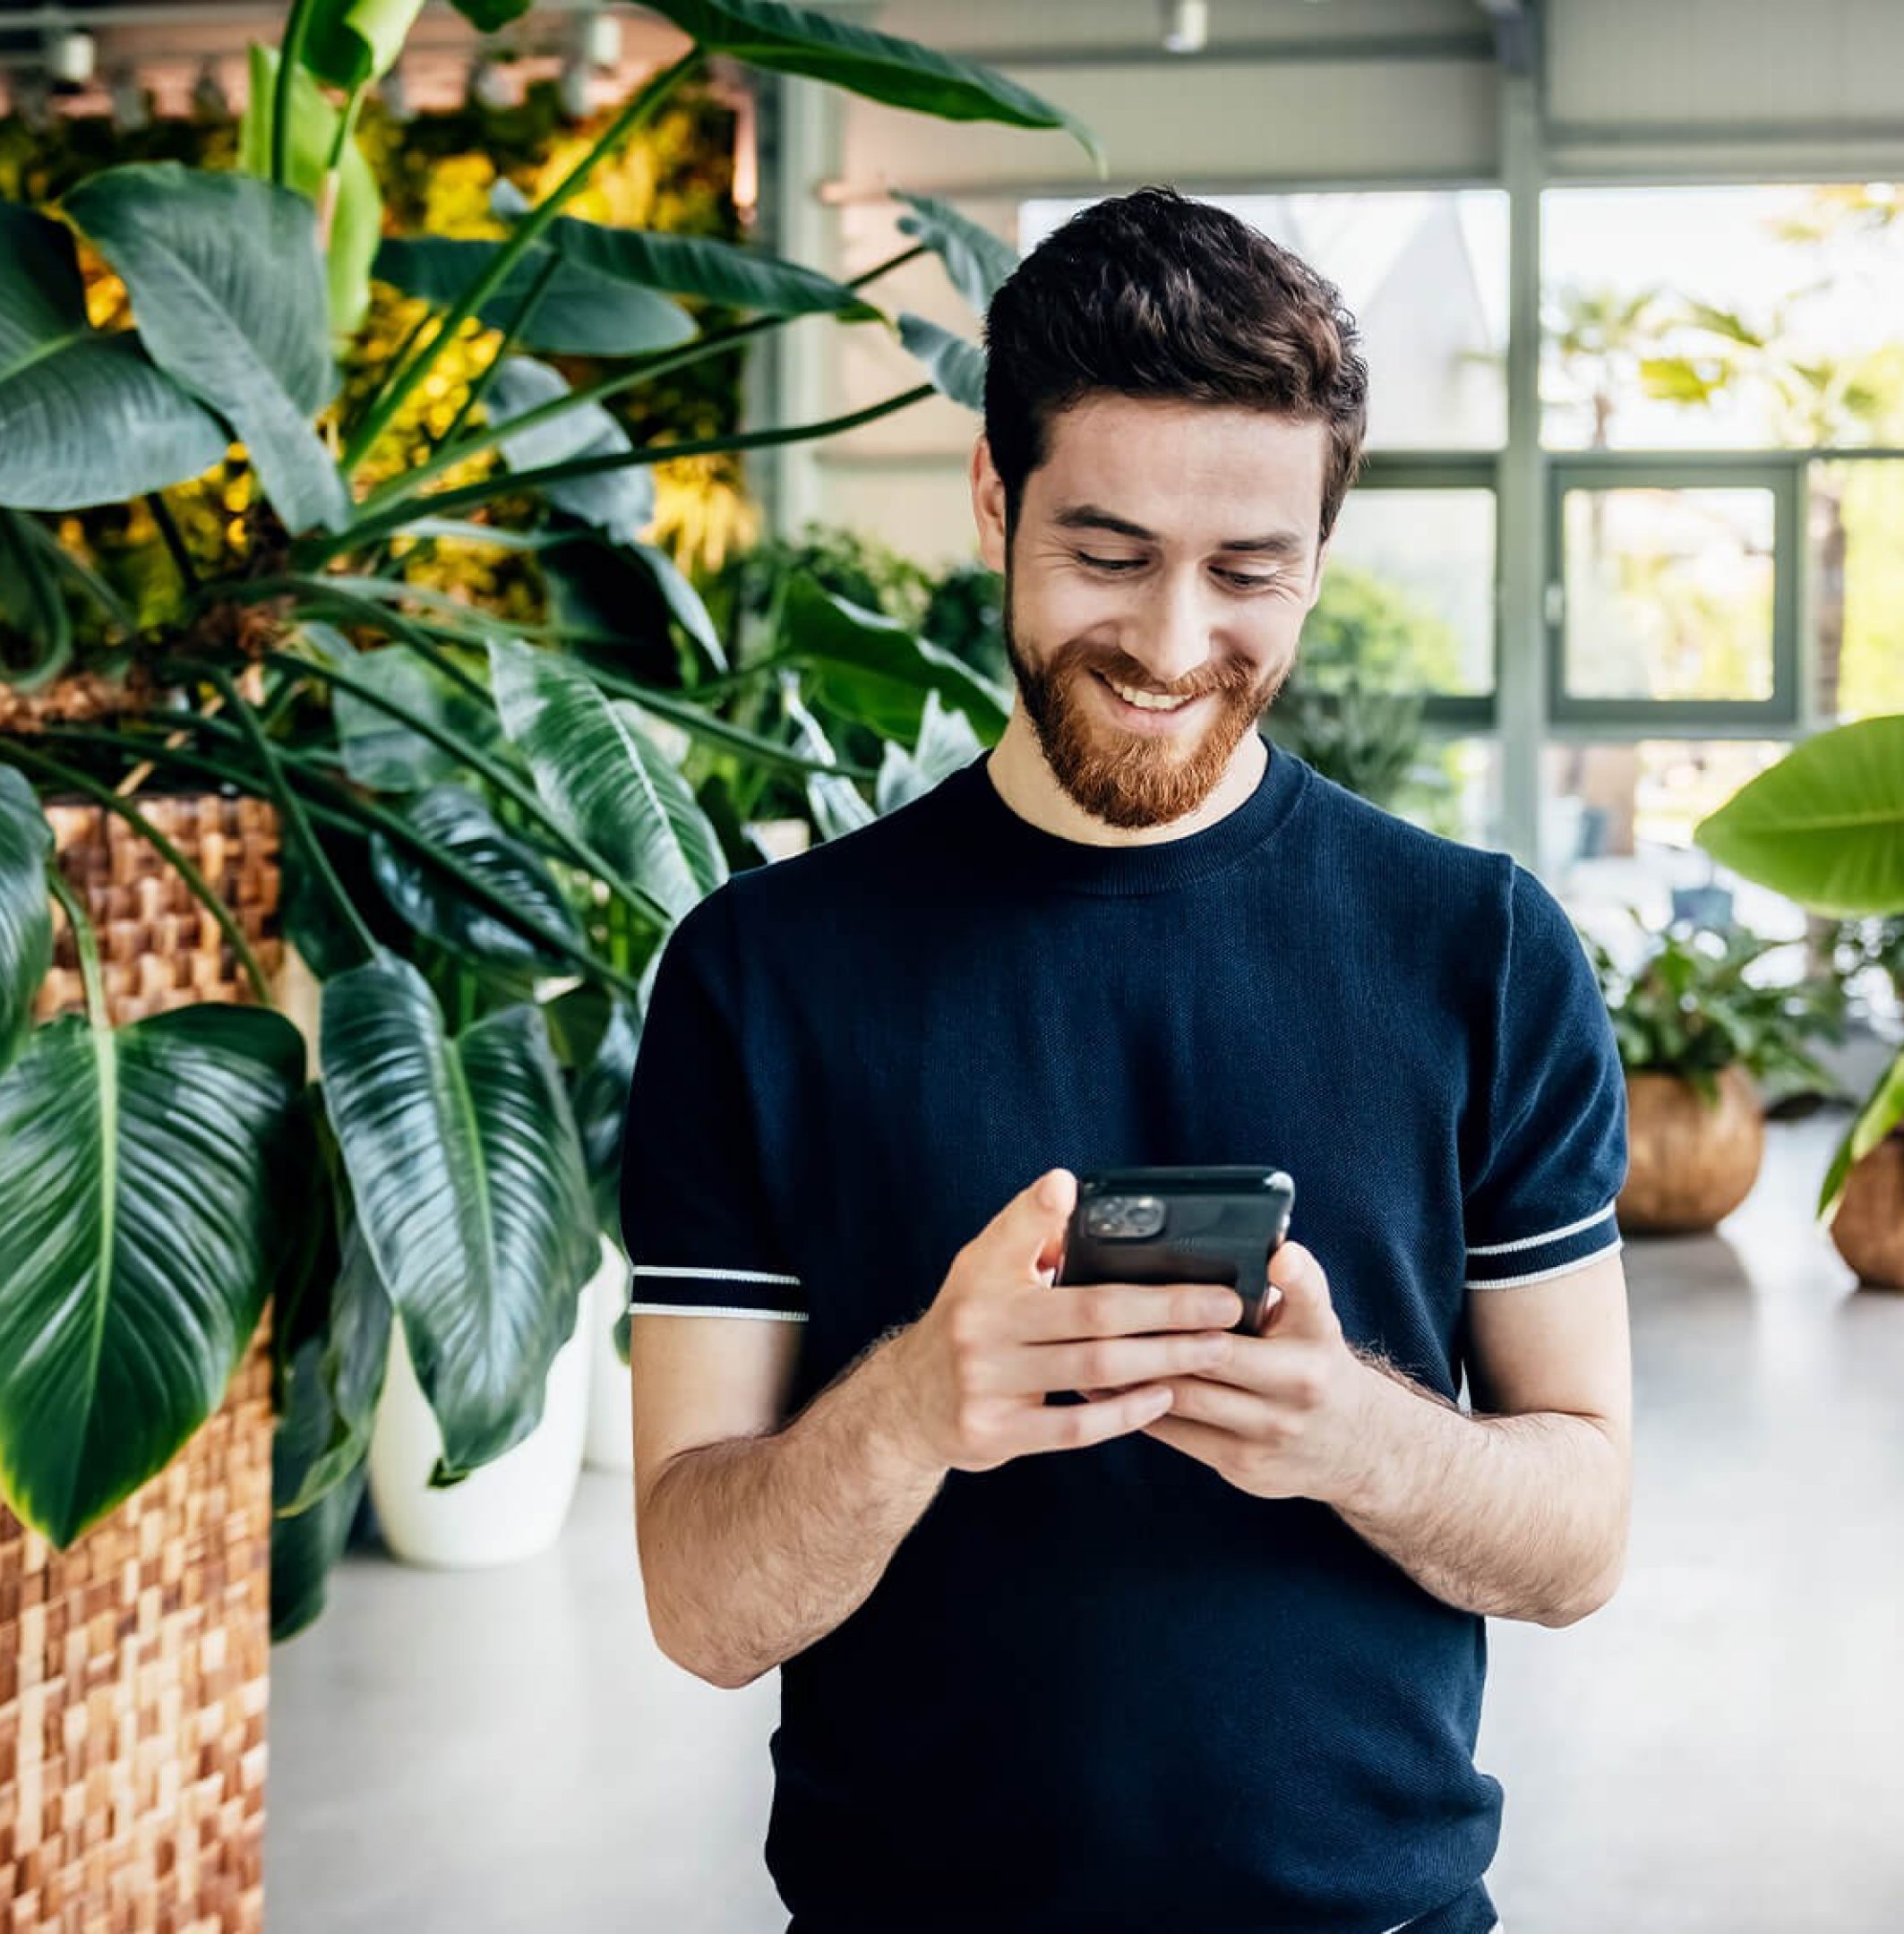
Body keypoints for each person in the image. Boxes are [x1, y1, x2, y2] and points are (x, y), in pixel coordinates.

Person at [620, 185, 1634, 1934]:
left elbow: (1582, 1533)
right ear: (996, 500)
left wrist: (1353, 1439)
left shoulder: (1479, 951)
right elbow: (703, 1607)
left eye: (1251, 574)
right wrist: (919, 1409)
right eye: (1108, 554)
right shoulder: (763, 975)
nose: (1174, 646)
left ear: (1324, 542)